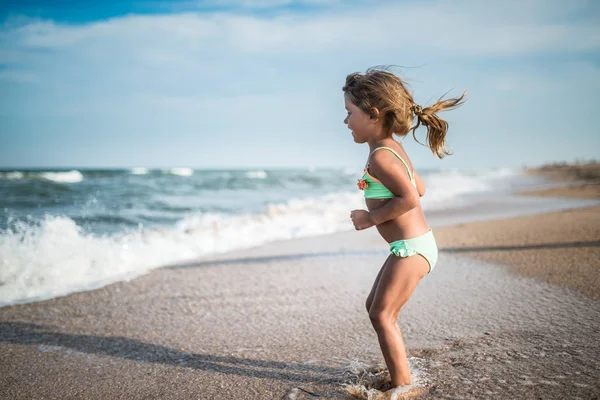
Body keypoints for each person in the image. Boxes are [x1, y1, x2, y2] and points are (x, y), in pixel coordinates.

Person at [344, 67, 466, 389]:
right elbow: (420, 188)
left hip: (412, 249)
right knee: (374, 308)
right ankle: (400, 377)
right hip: (412, 246)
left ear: (372, 114)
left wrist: (369, 219)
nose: (345, 122)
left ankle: (403, 387)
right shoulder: (391, 149)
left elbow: (410, 197)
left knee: (382, 315)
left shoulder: (381, 158)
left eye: (349, 113)